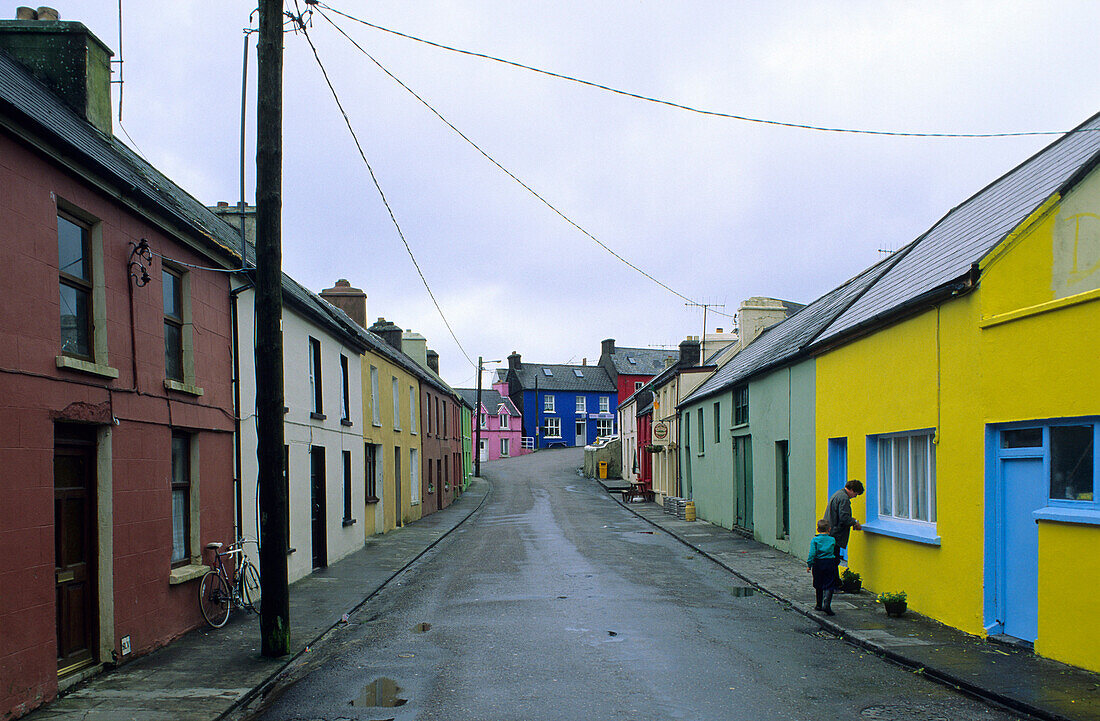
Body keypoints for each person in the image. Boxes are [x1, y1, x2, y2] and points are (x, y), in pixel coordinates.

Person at [826, 479, 864, 587]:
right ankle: (834, 584)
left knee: (832, 558)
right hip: (836, 533)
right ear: (852, 490)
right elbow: (844, 518)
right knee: (834, 559)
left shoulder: (837, 494)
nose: (855, 496)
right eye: (856, 494)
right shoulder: (844, 499)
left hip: (830, 531)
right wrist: (854, 522)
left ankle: (835, 582)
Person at [806, 518, 838, 615]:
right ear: (829, 529)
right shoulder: (832, 539)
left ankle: (818, 604)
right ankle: (827, 604)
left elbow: (812, 553)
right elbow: (835, 551)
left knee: (818, 583)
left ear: (817, 529)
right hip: (829, 562)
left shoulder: (815, 540)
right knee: (829, 583)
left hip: (818, 563)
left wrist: (809, 564)